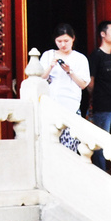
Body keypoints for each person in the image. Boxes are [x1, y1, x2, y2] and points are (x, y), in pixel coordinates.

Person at [40, 24, 91, 154]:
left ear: (73, 39)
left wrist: (69, 72)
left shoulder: (80, 58)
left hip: (71, 106)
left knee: (69, 148)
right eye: (59, 41)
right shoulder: (48, 55)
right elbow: (40, 78)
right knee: (49, 145)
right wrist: (50, 66)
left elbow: (83, 84)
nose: (63, 44)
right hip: (51, 104)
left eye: (66, 41)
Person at [87, 20, 111, 172]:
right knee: (101, 142)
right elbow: (90, 83)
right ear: (103, 34)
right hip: (103, 106)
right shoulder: (96, 56)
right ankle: (100, 173)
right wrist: (98, 98)